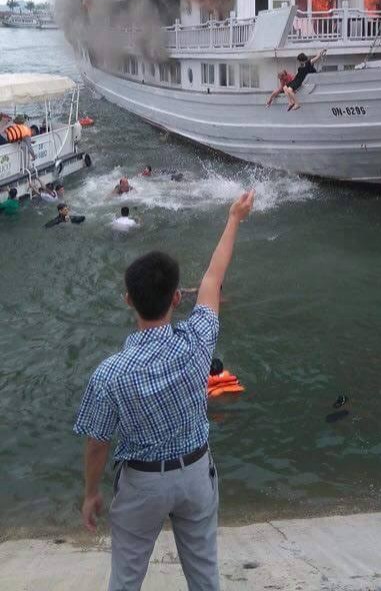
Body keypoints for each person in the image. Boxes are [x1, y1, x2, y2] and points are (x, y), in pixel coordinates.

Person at [74, 190, 254, 591]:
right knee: (205, 578)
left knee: (125, 580)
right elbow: (212, 277)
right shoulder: (198, 341)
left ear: (128, 301)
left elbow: (98, 443)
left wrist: (91, 493)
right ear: (176, 298)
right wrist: (234, 217)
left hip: (141, 485)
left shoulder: (111, 373)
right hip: (195, 475)